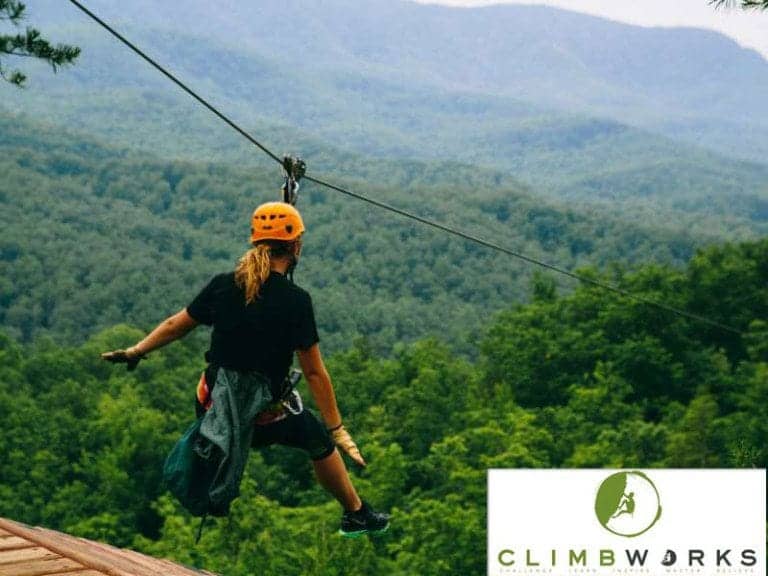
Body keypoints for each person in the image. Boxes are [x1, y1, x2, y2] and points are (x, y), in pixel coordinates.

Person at [102, 201, 389, 538]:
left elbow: (176, 325)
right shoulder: (296, 301)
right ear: (296, 247)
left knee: (244, 394)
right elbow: (314, 373)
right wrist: (337, 428)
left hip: (211, 405)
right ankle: (356, 513)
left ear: (255, 242)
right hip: (258, 417)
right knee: (315, 436)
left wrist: (138, 350)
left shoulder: (225, 284)